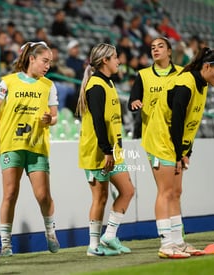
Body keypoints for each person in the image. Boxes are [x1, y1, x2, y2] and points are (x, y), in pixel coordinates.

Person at [141, 47, 214, 258]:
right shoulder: (184, 83)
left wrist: (188, 151)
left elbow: (192, 121)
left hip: (176, 143)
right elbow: (177, 121)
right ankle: (166, 244)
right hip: (161, 139)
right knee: (166, 192)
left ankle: (178, 242)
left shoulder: (203, 84)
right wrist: (180, 153)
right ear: (207, 67)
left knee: (176, 192)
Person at [0, 41, 60, 256]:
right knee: (10, 193)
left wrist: (50, 119)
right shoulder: (8, 82)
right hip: (11, 144)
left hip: (37, 146)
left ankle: (50, 232)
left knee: (43, 195)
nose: (48, 66)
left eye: (50, 63)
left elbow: (55, 117)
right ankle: (6, 244)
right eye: (45, 61)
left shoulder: (48, 85)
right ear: (31, 59)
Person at [76, 43, 135, 256]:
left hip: (112, 151)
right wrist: (107, 150)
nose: (119, 60)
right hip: (98, 152)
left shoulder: (108, 83)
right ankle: (93, 246)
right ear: (105, 61)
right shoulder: (96, 86)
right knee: (100, 198)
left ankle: (109, 235)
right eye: (115, 57)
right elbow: (99, 122)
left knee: (128, 191)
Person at [128, 37, 183, 139]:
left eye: (160, 46)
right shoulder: (143, 75)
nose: (155, 50)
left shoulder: (182, 73)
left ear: (169, 51)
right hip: (149, 135)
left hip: (172, 134)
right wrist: (134, 102)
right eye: (153, 48)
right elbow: (132, 101)